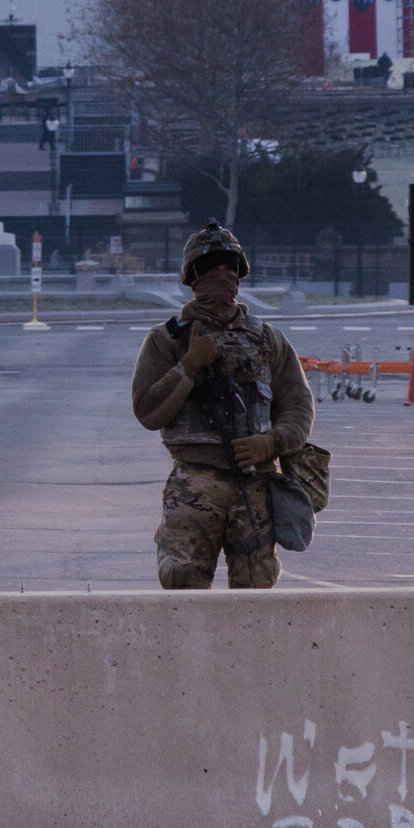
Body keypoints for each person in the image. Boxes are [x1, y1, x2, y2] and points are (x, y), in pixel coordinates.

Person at [130, 224, 315, 590]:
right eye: (211, 265)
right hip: (195, 482)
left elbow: (298, 405)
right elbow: (147, 411)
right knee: (182, 581)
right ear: (193, 275)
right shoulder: (166, 340)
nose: (221, 274)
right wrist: (188, 366)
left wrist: (271, 443)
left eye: (229, 266)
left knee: (256, 585)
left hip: (255, 481)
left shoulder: (267, 339)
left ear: (241, 274)